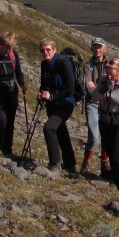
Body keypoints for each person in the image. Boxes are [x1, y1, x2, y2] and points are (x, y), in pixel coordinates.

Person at [90, 56, 119, 191]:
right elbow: (94, 98)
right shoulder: (104, 79)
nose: (109, 76)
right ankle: (117, 177)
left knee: (116, 154)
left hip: (118, 123)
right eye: (107, 72)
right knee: (108, 150)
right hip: (104, 120)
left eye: (112, 73)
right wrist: (104, 88)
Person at [38, 39, 77, 172]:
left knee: (49, 128)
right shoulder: (44, 64)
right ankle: (70, 164)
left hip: (66, 103)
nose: (45, 52)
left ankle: (54, 163)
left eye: (48, 49)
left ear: (54, 50)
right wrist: (41, 94)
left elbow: (70, 88)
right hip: (52, 104)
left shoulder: (63, 62)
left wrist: (52, 96)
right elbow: (44, 84)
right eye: (42, 50)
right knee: (61, 131)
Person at [81, 37, 111, 176]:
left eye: (100, 46)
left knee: (106, 135)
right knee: (94, 136)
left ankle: (105, 165)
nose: (97, 49)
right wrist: (102, 89)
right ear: (92, 48)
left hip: (108, 104)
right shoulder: (88, 65)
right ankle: (85, 164)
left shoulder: (111, 63)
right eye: (95, 46)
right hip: (92, 103)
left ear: (105, 48)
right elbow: (89, 86)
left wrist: (97, 88)